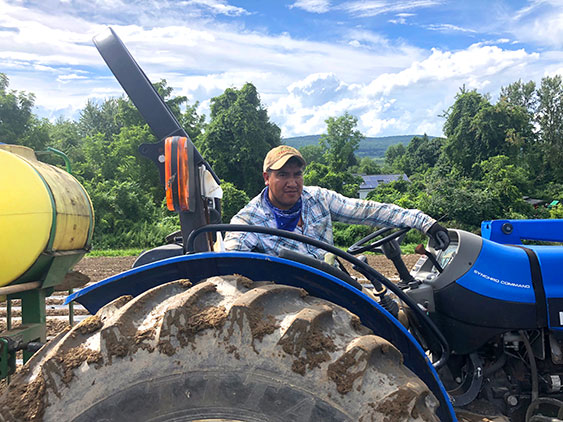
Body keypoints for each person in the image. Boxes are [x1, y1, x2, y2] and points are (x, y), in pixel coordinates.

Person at [224, 145, 449, 259]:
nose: (292, 182)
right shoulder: (247, 221)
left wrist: (423, 222)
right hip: (289, 300)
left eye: (297, 174)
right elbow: (232, 265)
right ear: (267, 178)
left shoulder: (318, 199)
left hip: (330, 282)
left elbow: (367, 210)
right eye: (283, 175)